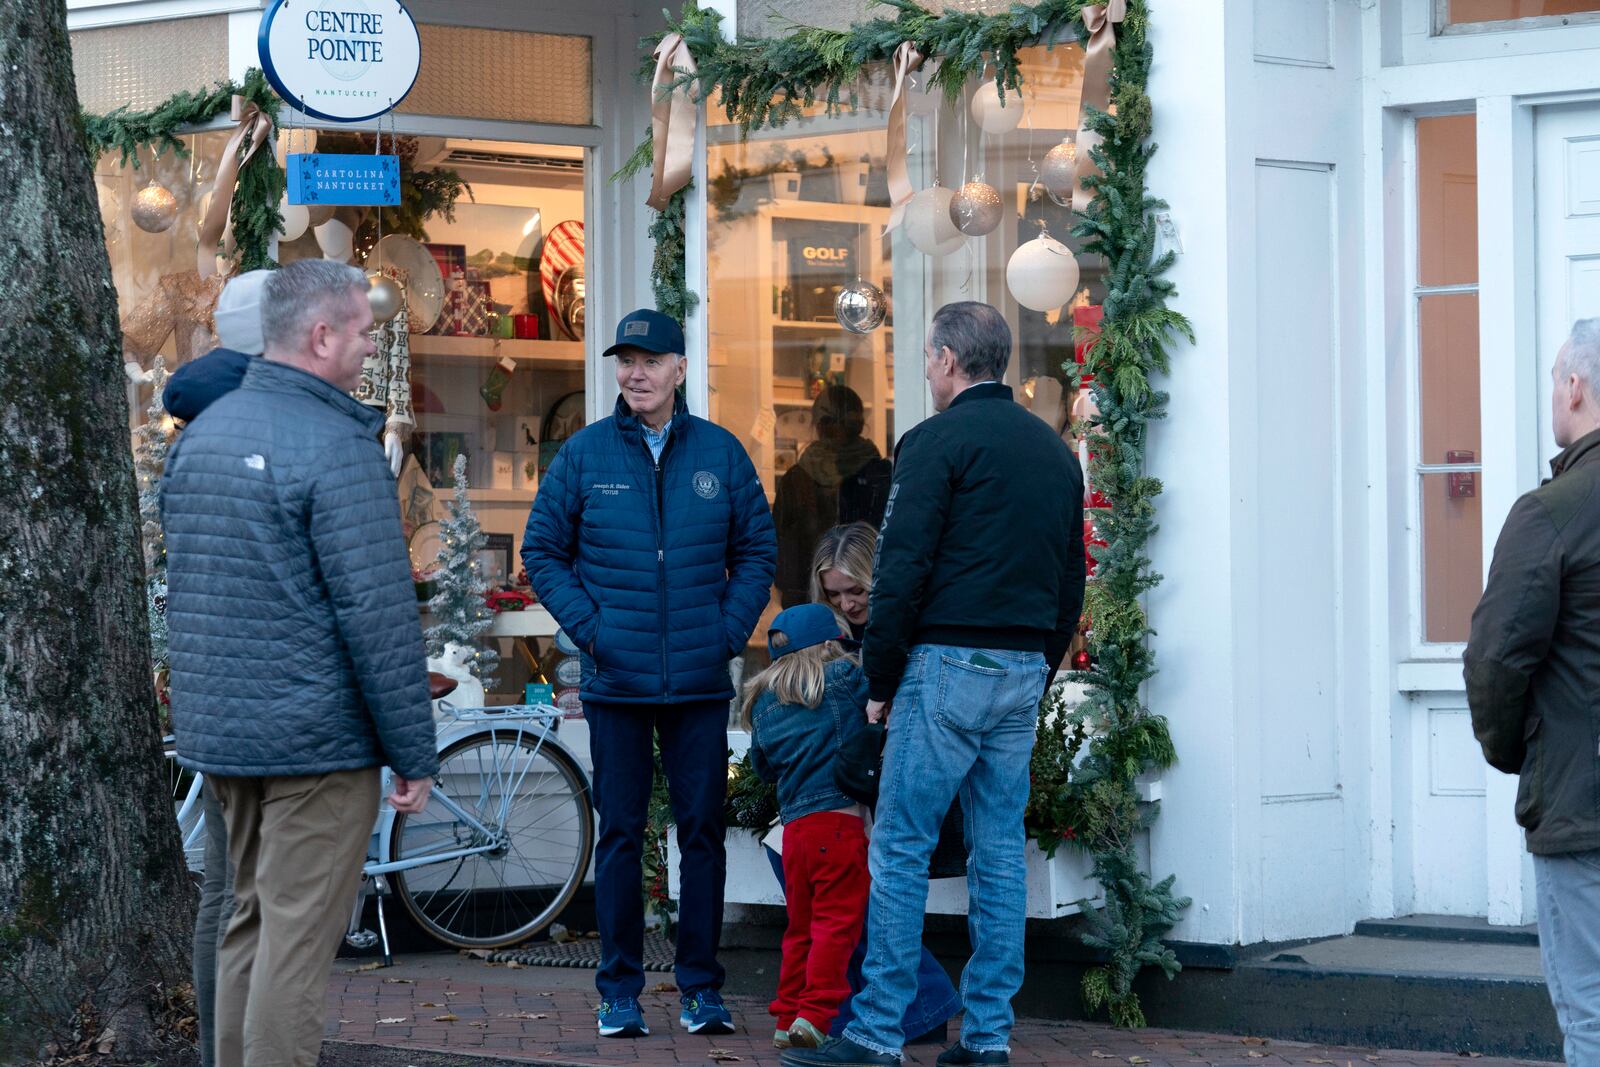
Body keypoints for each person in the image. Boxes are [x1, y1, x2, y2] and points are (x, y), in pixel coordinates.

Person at [783, 302, 1085, 1067]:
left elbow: (902, 570)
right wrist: (1041, 667)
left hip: (946, 662)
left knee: (900, 847)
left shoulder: (932, 441)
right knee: (998, 852)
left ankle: (879, 1031)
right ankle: (987, 1037)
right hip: (1021, 666)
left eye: (926, 356)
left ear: (949, 360)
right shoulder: (1054, 454)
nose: (926, 367)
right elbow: (1070, 577)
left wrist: (880, 681)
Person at [162, 260, 439, 1067]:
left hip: (224, 733)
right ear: (321, 336)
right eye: (360, 329)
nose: (367, 344)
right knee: (296, 944)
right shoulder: (338, 444)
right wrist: (413, 752)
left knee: (245, 920)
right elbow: (379, 618)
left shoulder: (202, 435)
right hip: (316, 742)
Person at [522, 307, 777, 1040]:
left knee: (701, 832)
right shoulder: (585, 454)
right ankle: (619, 991)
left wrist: (726, 633)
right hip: (618, 680)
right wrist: (597, 632)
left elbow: (758, 551)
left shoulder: (721, 455)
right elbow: (543, 551)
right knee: (622, 834)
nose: (635, 372)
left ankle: (701, 988)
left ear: (679, 370)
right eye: (625, 360)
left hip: (698, 680)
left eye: (649, 360)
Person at [762, 523, 963, 1046]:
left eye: (857, 590)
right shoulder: (835, 656)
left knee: (841, 895)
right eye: (834, 595)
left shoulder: (899, 631)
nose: (848, 604)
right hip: (856, 793)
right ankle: (872, 1002)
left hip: (905, 777)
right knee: (814, 877)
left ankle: (900, 1003)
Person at [1466, 317, 1600, 1066]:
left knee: (1591, 1017)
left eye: (1555, 379)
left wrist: (1522, 754)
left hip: (1583, 812)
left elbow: (1493, 661)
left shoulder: (1550, 513)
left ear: (1574, 387)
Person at [159, 268, 269, 1067]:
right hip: (262, 694)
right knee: (255, 894)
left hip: (210, 688)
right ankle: (240, 1046)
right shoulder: (256, 427)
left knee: (226, 889)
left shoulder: (193, 436)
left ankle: (216, 1044)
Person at [746, 604, 873, 1050]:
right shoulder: (843, 680)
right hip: (838, 826)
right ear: (828, 644)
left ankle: (786, 1015)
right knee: (837, 927)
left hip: (794, 835)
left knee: (800, 929)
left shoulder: (762, 702)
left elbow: (762, 768)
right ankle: (815, 1017)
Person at [773, 385, 893, 607]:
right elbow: (784, 547)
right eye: (828, 422)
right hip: (822, 596)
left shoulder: (878, 474)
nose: (835, 429)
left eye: (839, 421)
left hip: (865, 595)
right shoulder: (797, 478)